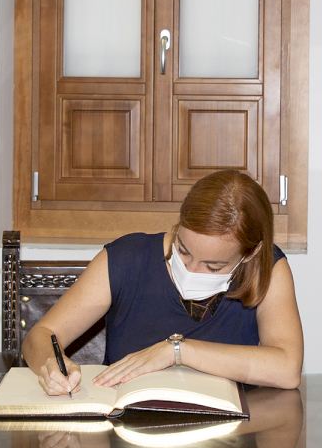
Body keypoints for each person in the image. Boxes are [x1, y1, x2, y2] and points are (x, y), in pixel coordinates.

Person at [22, 169, 303, 395]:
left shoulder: (266, 268)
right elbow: (42, 334)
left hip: (231, 436)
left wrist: (176, 351)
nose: (191, 269)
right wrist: (51, 365)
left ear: (250, 253)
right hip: (127, 434)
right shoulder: (127, 259)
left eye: (213, 266)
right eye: (183, 250)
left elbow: (287, 369)